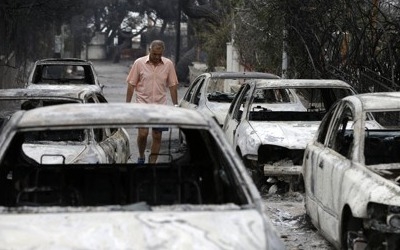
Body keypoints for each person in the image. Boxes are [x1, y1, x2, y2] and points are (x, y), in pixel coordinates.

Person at [126, 40, 179, 164]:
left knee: (157, 135)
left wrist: (176, 104)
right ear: (149, 50)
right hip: (142, 105)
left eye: (159, 55)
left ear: (163, 53)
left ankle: (152, 163)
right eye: (154, 54)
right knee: (143, 133)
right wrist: (126, 105)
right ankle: (141, 156)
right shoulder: (139, 63)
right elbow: (131, 85)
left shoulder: (168, 64)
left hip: (160, 106)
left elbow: (173, 86)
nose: (156, 57)